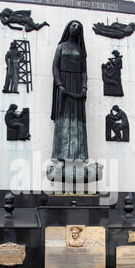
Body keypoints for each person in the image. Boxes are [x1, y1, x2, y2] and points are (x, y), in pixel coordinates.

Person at [51, 20, 88, 162]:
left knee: (77, 120)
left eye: (78, 27)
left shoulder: (80, 51)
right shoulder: (61, 47)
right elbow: (55, 67)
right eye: (73, 25)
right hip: (64, 85)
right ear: (68, 28)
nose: (75, 28)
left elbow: (84, 72)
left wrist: (84, 87)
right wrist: (60, 85)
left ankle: (79, 155)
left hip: (77, 85)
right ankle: (60, 155)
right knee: (63, 119)